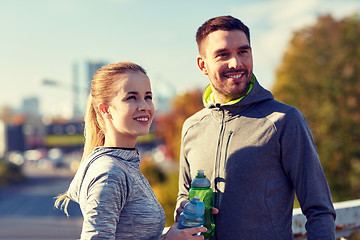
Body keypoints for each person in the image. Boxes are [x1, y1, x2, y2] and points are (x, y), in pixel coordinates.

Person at [175, 16, 336, 239]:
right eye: (223, 54)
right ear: (203, 65)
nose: (236, 63)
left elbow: (320, 209)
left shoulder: (284, 120)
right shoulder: (192, 127)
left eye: (243, 52)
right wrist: (183, 209)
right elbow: (183, 195)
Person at [55, 61, 206, 240]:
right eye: (131, 97)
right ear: (105, 110)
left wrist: (173, 232)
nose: (144, 106)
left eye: (148, 97)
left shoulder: (125, 164)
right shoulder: (109, 173)